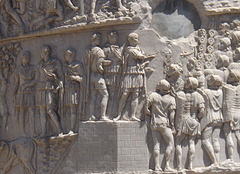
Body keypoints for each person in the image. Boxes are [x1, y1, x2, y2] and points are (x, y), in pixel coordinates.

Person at [114, 32, 154, 121]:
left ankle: (132, 115)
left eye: (137, 38)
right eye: (135, 38)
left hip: (138, 73)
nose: (137, 40)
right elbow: (140, 56)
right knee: (125, 94)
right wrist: (150, 56)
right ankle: (119, 115)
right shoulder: (129, 49)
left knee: (136, 94)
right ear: (130, 40)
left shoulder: (138, 48)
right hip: (129, 72)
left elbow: (141, 57)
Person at [175, 77, 204, 170]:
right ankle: (190, 165)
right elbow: (202, 111)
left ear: (191, 84)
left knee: (178, 142)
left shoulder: (181, 94)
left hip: (184, 119)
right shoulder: (199, 96)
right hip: (194, 120)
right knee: (191, 143)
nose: (185, 83)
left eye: (187, 82)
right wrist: (197, 118)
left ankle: (179, 166)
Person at [146, 79, 175, 172]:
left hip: (154, 123)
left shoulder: (153, 95)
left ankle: (157, 166)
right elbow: (172, 114)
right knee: (170, 143)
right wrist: (172, 124)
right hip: (164, 123)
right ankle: (166, 165)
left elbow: (146, 107)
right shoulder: (171, 99)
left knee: (156, 144)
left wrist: (150, 114)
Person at [35, 45, 63, 136]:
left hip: (49, 87)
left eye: (42, 52)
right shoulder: (40, 65)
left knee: (50, 110)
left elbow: (61, 77)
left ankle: (59, 129)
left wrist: (59, 85)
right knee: (41, 110)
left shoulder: (54, 63)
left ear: (46, 52)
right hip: (40, 88)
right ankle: (43, 132)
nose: (40, 54)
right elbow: (36, 79)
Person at [85, 33, 111, 121]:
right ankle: (102, 116)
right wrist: (109, 63)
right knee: (105, 95)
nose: (100, 40)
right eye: (98, 39)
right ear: (94, 39)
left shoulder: (87, 50)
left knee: (93, 96)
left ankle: (91, 115)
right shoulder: (99, 51)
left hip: (90, 76)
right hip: (97, 76)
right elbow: (100, 65)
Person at [198, 75, 223, 166]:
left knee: (205, 140)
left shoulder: (207, 91)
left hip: (210, 118)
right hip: (219, 117)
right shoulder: (221, 92)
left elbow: (199, 90)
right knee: (215, 140)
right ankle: (218, 160)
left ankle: (214, 161)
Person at [14, 51, 36, 136]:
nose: (27, 59)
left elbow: (35, 80)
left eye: (28, 57)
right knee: (22, 111)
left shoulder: (33, 68)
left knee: (32, 111)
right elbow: (16, 83)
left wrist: (27, 84)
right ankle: (22, 132)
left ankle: (33, 131)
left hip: (30, 92)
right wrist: (14, 94)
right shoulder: (18, 70)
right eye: (25, 57)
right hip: (21, 93)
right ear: (22, 58)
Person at [64, 48, 84, 132]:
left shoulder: (78, 65)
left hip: (74, 89)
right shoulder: (65, 66)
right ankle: (68, 128)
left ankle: (72, 129)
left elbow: (83, 79)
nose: (65, 56)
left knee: (73, 109)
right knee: (67, 110)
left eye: (67, 54)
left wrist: (75, 78)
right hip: (66, 89)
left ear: (71, 55)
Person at [103, 31, 123, 118]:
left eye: (117, 36)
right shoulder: (106, 49)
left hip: (118, 72)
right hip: (109, 72)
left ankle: (114, 113)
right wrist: (107, 62)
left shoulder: (119, 48)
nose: (117, 38)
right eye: (114, 36)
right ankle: (107, 114)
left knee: (115, 94)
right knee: (109, 94)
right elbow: (101, 61)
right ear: (110, 38)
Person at [222, 69, 240, 161]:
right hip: (239, 113)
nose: (228, 78)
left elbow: (227, 103)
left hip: (231, 113)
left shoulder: (228, 88)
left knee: (228, 135)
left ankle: (231, 158)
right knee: (238, 136)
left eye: (230, 76)